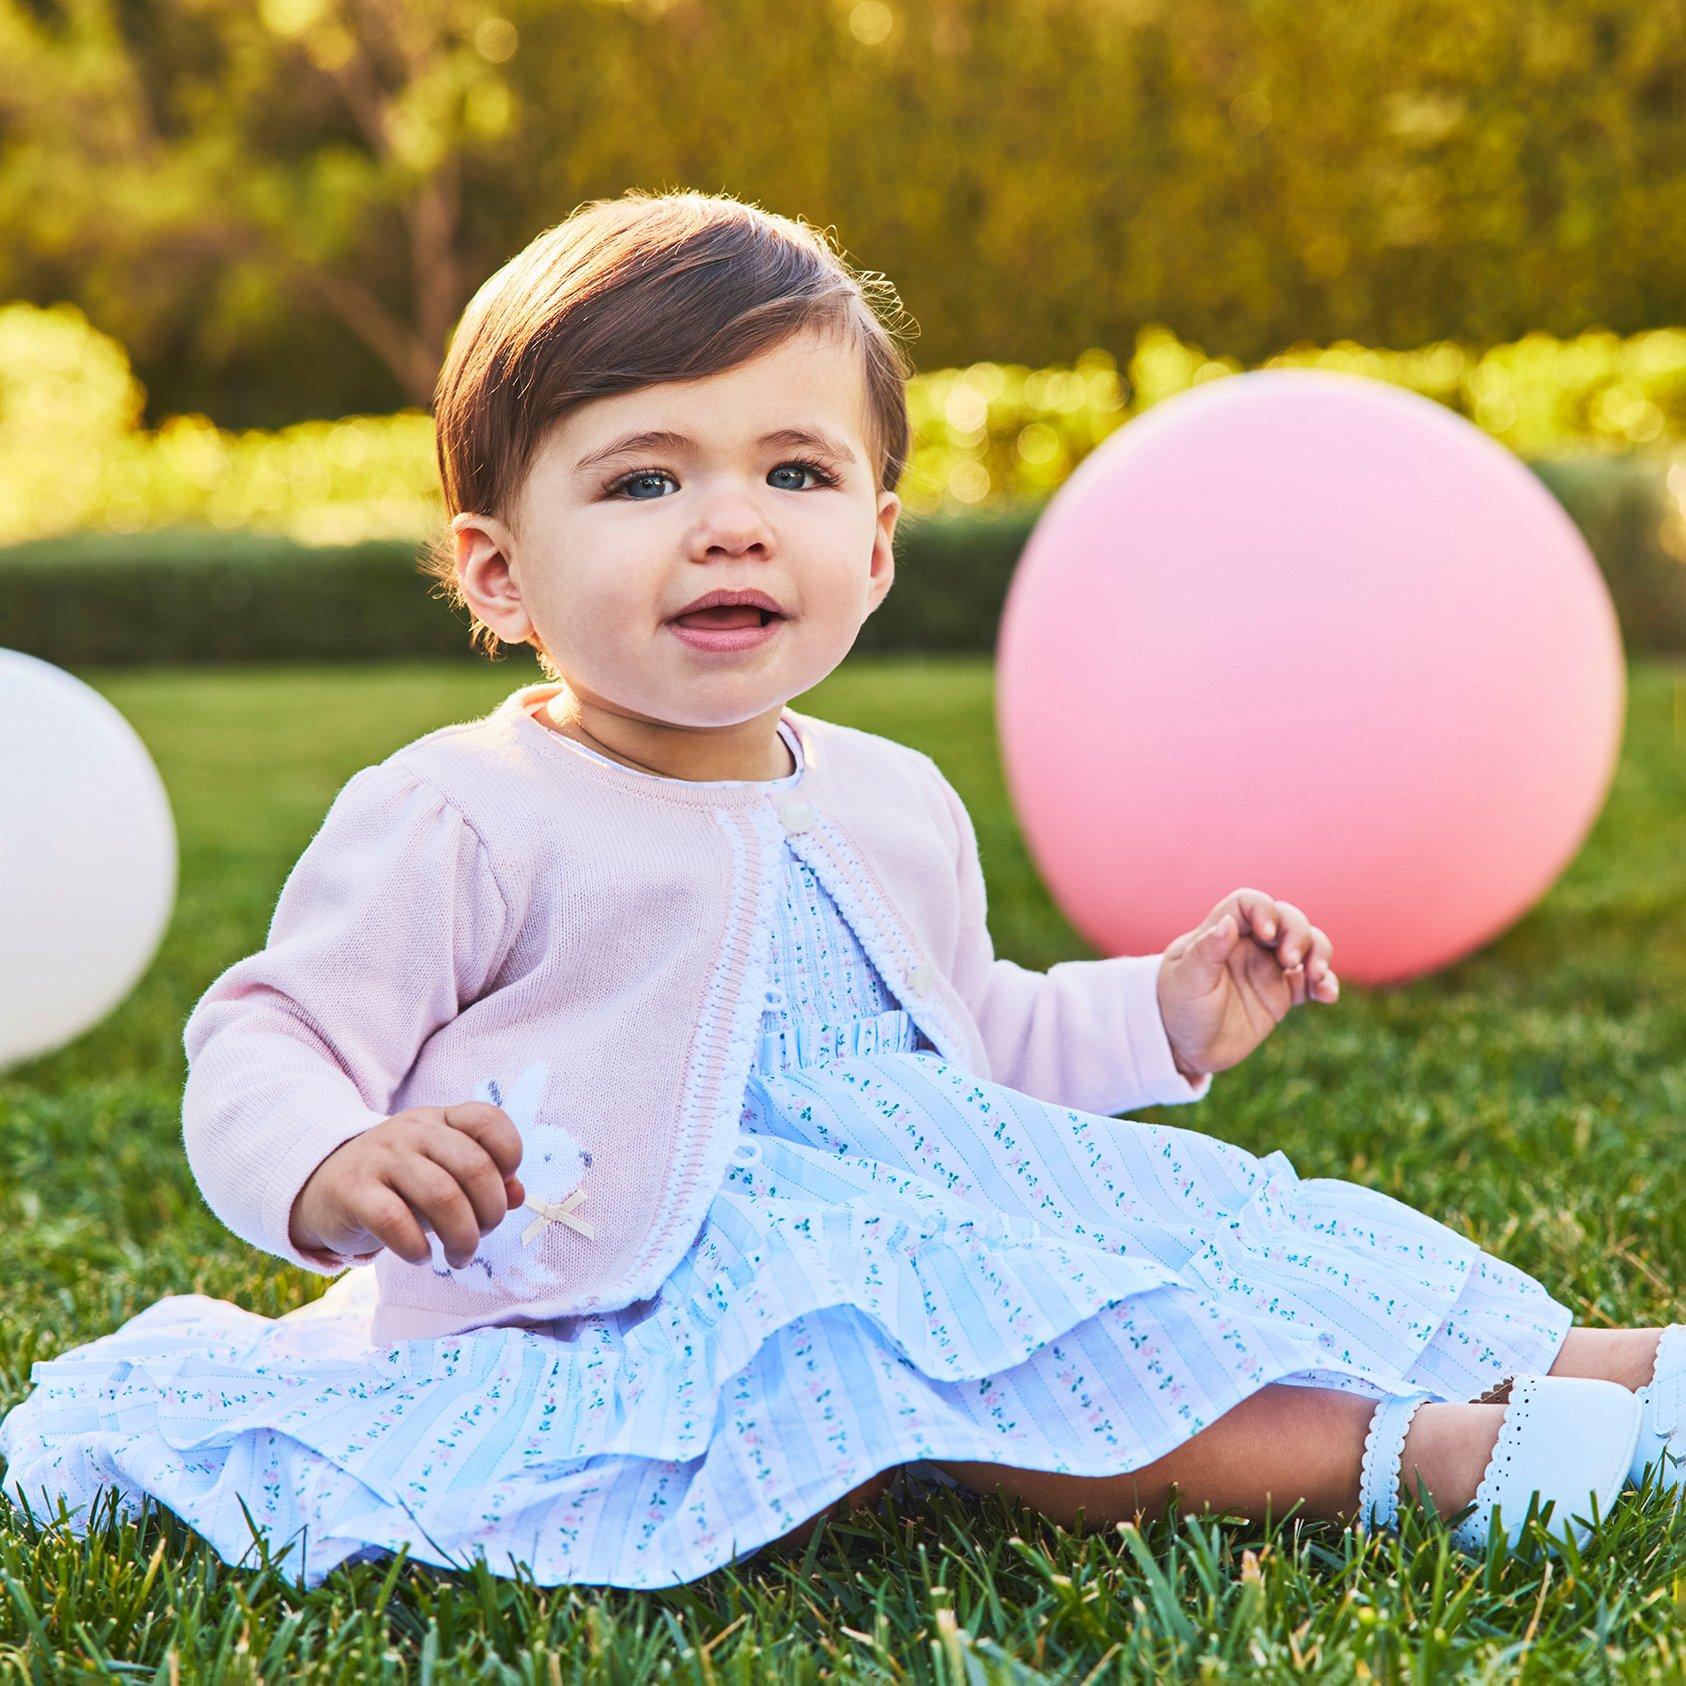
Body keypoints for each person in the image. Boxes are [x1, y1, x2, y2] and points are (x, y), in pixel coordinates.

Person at [2, 189, 1679, 1592]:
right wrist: (330, 1158)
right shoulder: (464, 812)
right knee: (1008, 1341)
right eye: (645, 478)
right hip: (644, 1284)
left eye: (793, 474)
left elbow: (974, 1034)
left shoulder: (888, 796)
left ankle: (1606, 1369)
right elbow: (269, 1032)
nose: (731, 524)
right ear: (498, 571)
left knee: (1213, 1236)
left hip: (921, 1197)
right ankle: (1412, 1456)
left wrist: (1158, 1013)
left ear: (873, 548)